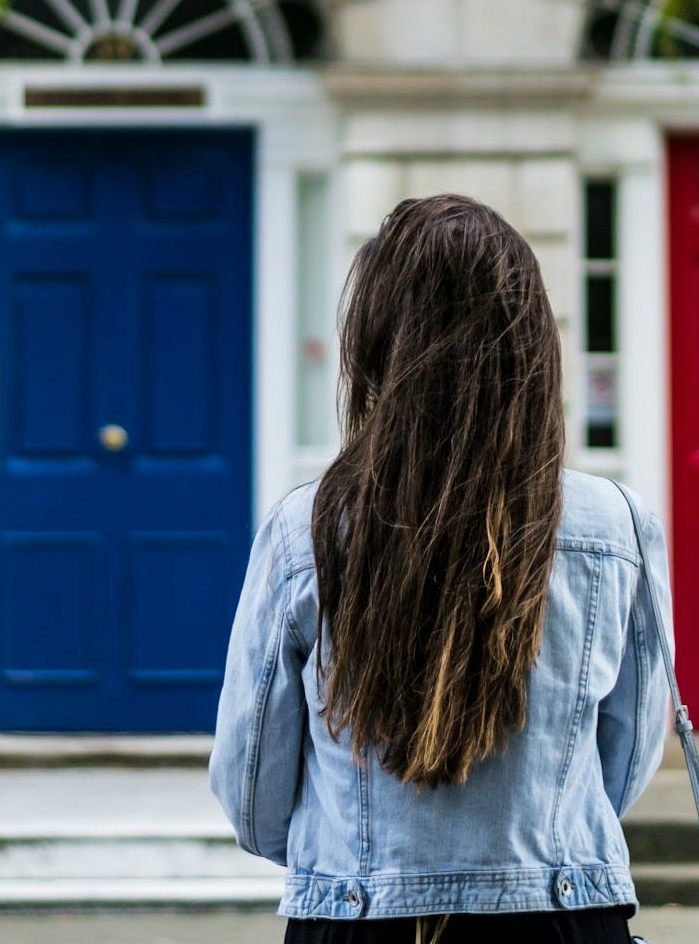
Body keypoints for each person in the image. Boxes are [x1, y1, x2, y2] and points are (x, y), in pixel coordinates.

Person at [210, 194, 673, 944]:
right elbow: (619, 767)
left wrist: (344, 854)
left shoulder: (307, 529)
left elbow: (251, 788)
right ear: (532, 346)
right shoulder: (614, 525)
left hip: (363, 919)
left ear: (377, 347)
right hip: (562, 915)